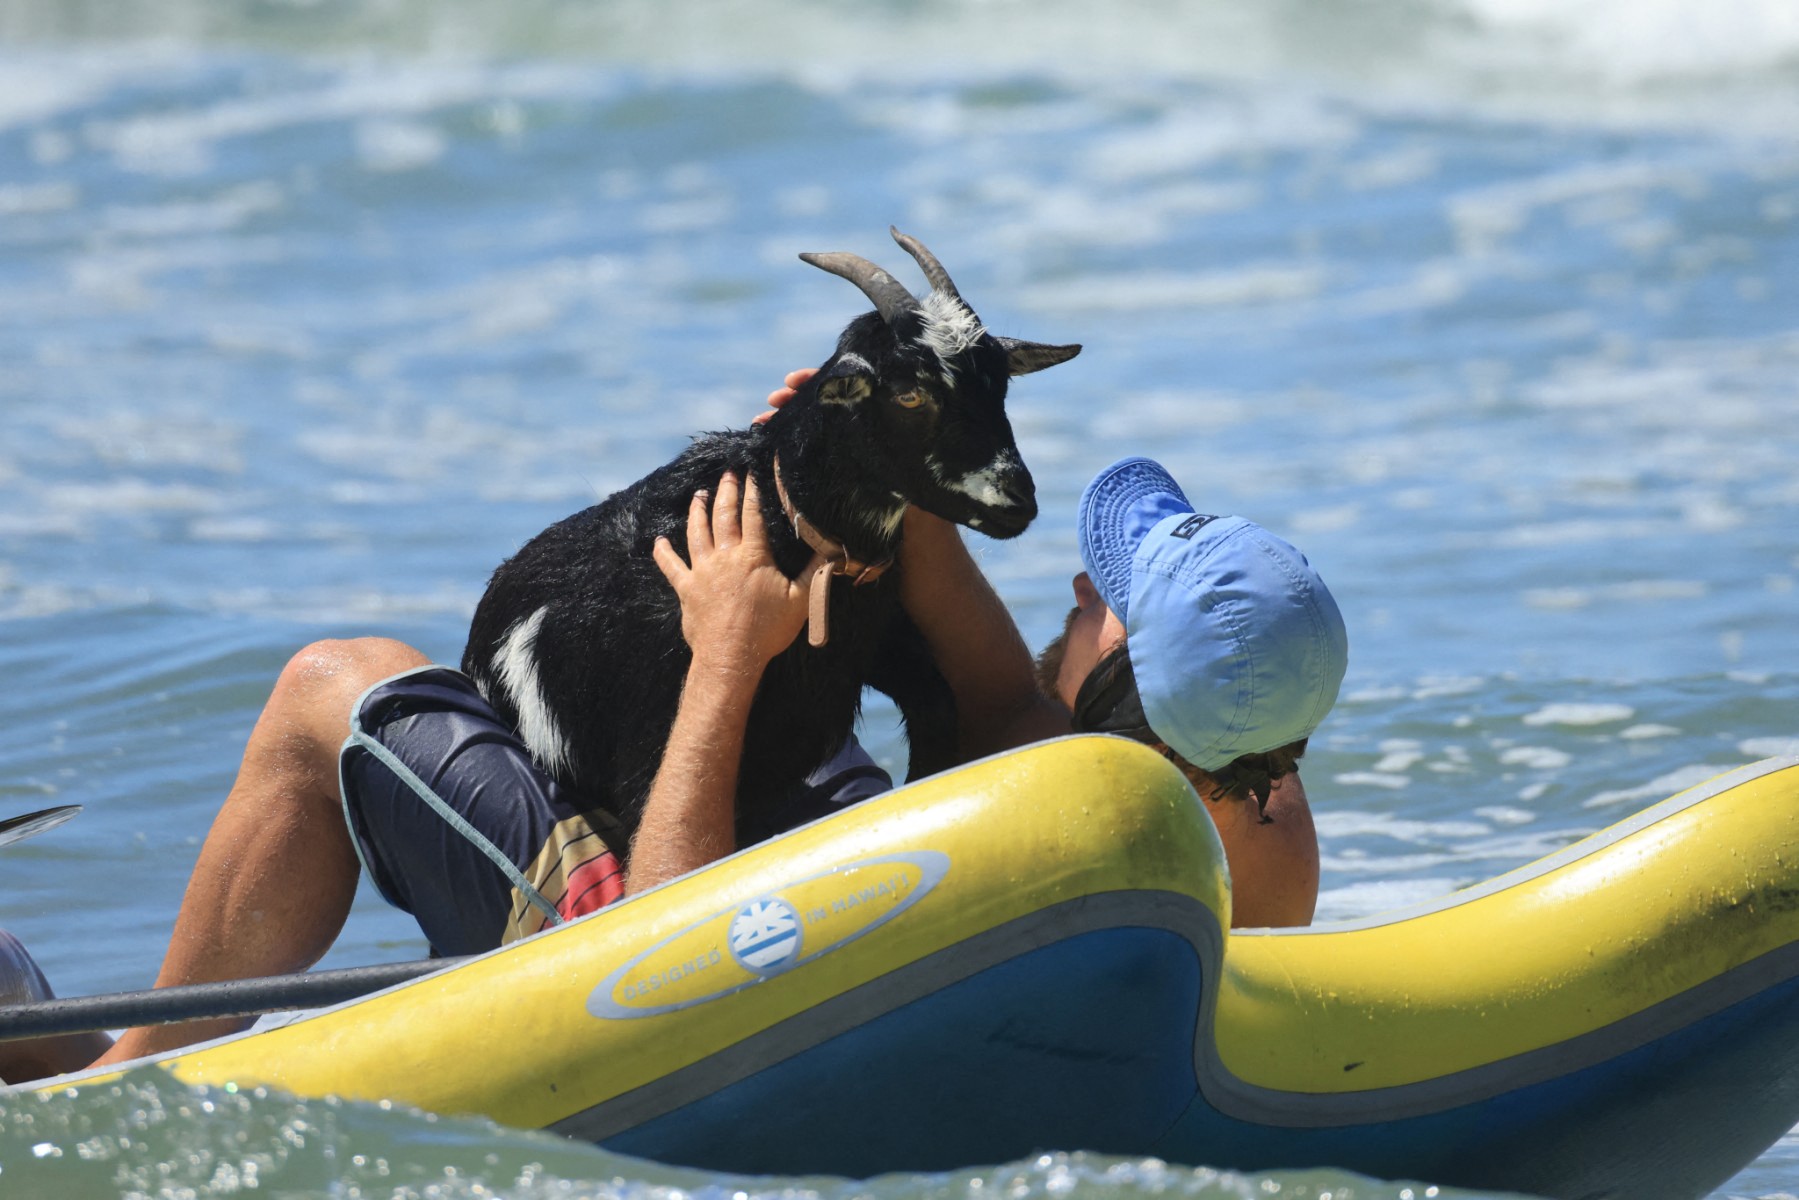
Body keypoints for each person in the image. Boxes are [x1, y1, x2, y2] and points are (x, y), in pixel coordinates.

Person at [51, 382, 1343, 1075]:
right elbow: (1003, 707)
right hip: (864, 943)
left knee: (333, 683)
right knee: (833, 680)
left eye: (1106, 603)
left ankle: (128, 1070)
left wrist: (727, 657)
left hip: (659, 966)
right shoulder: (1258, 825)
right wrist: (893, 496)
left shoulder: (1061, 804)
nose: (1077, 588)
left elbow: (670, 953)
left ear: (1126, 682)